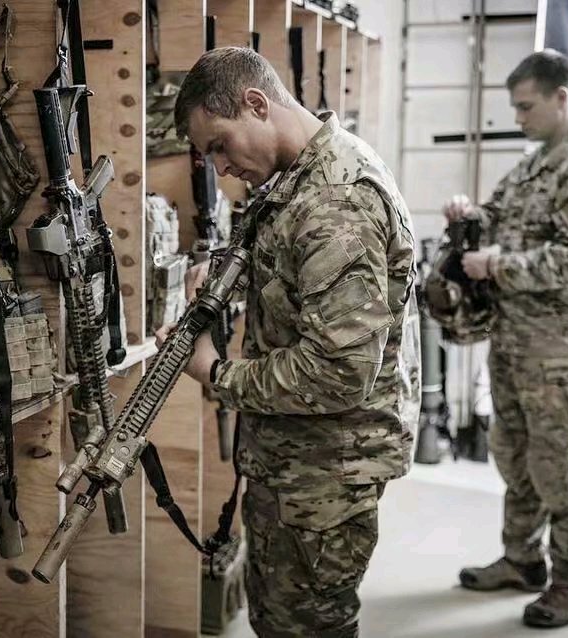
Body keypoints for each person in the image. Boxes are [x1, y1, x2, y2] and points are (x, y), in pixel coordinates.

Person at [156, 46, 421, 637]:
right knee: (278, 618)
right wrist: (222, 271)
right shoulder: (300, 177)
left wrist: (215, 373)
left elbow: (338, 372)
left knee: (305, 626)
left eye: (220, 145)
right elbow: (295, 270)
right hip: (298, 460)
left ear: (256, 104)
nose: (220, 168)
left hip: (325, 473)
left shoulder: (336, 201)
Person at [443, 49, 568, 628]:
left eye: (526, 107)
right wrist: (468, 216)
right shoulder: (534, 164)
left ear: (560, 97)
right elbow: (495, 215)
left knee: (556, 467)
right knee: (514, 457)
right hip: (513, 338)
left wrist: (494, 265)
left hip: (557, 349)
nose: (518, 117)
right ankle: (523, 561)